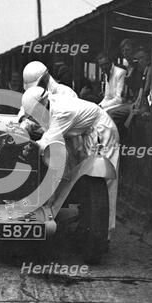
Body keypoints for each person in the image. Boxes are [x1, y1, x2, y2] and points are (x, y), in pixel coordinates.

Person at [21, 86, 120, 232]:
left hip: (101, 131)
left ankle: (104, 234)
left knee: (104, 182)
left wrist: (27, 145)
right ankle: (86, 225)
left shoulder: (62, 112)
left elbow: (47, 141)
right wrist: (25, 126)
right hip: (84, 132)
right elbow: (37, 120)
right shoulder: (48, 101)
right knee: (85, 179)